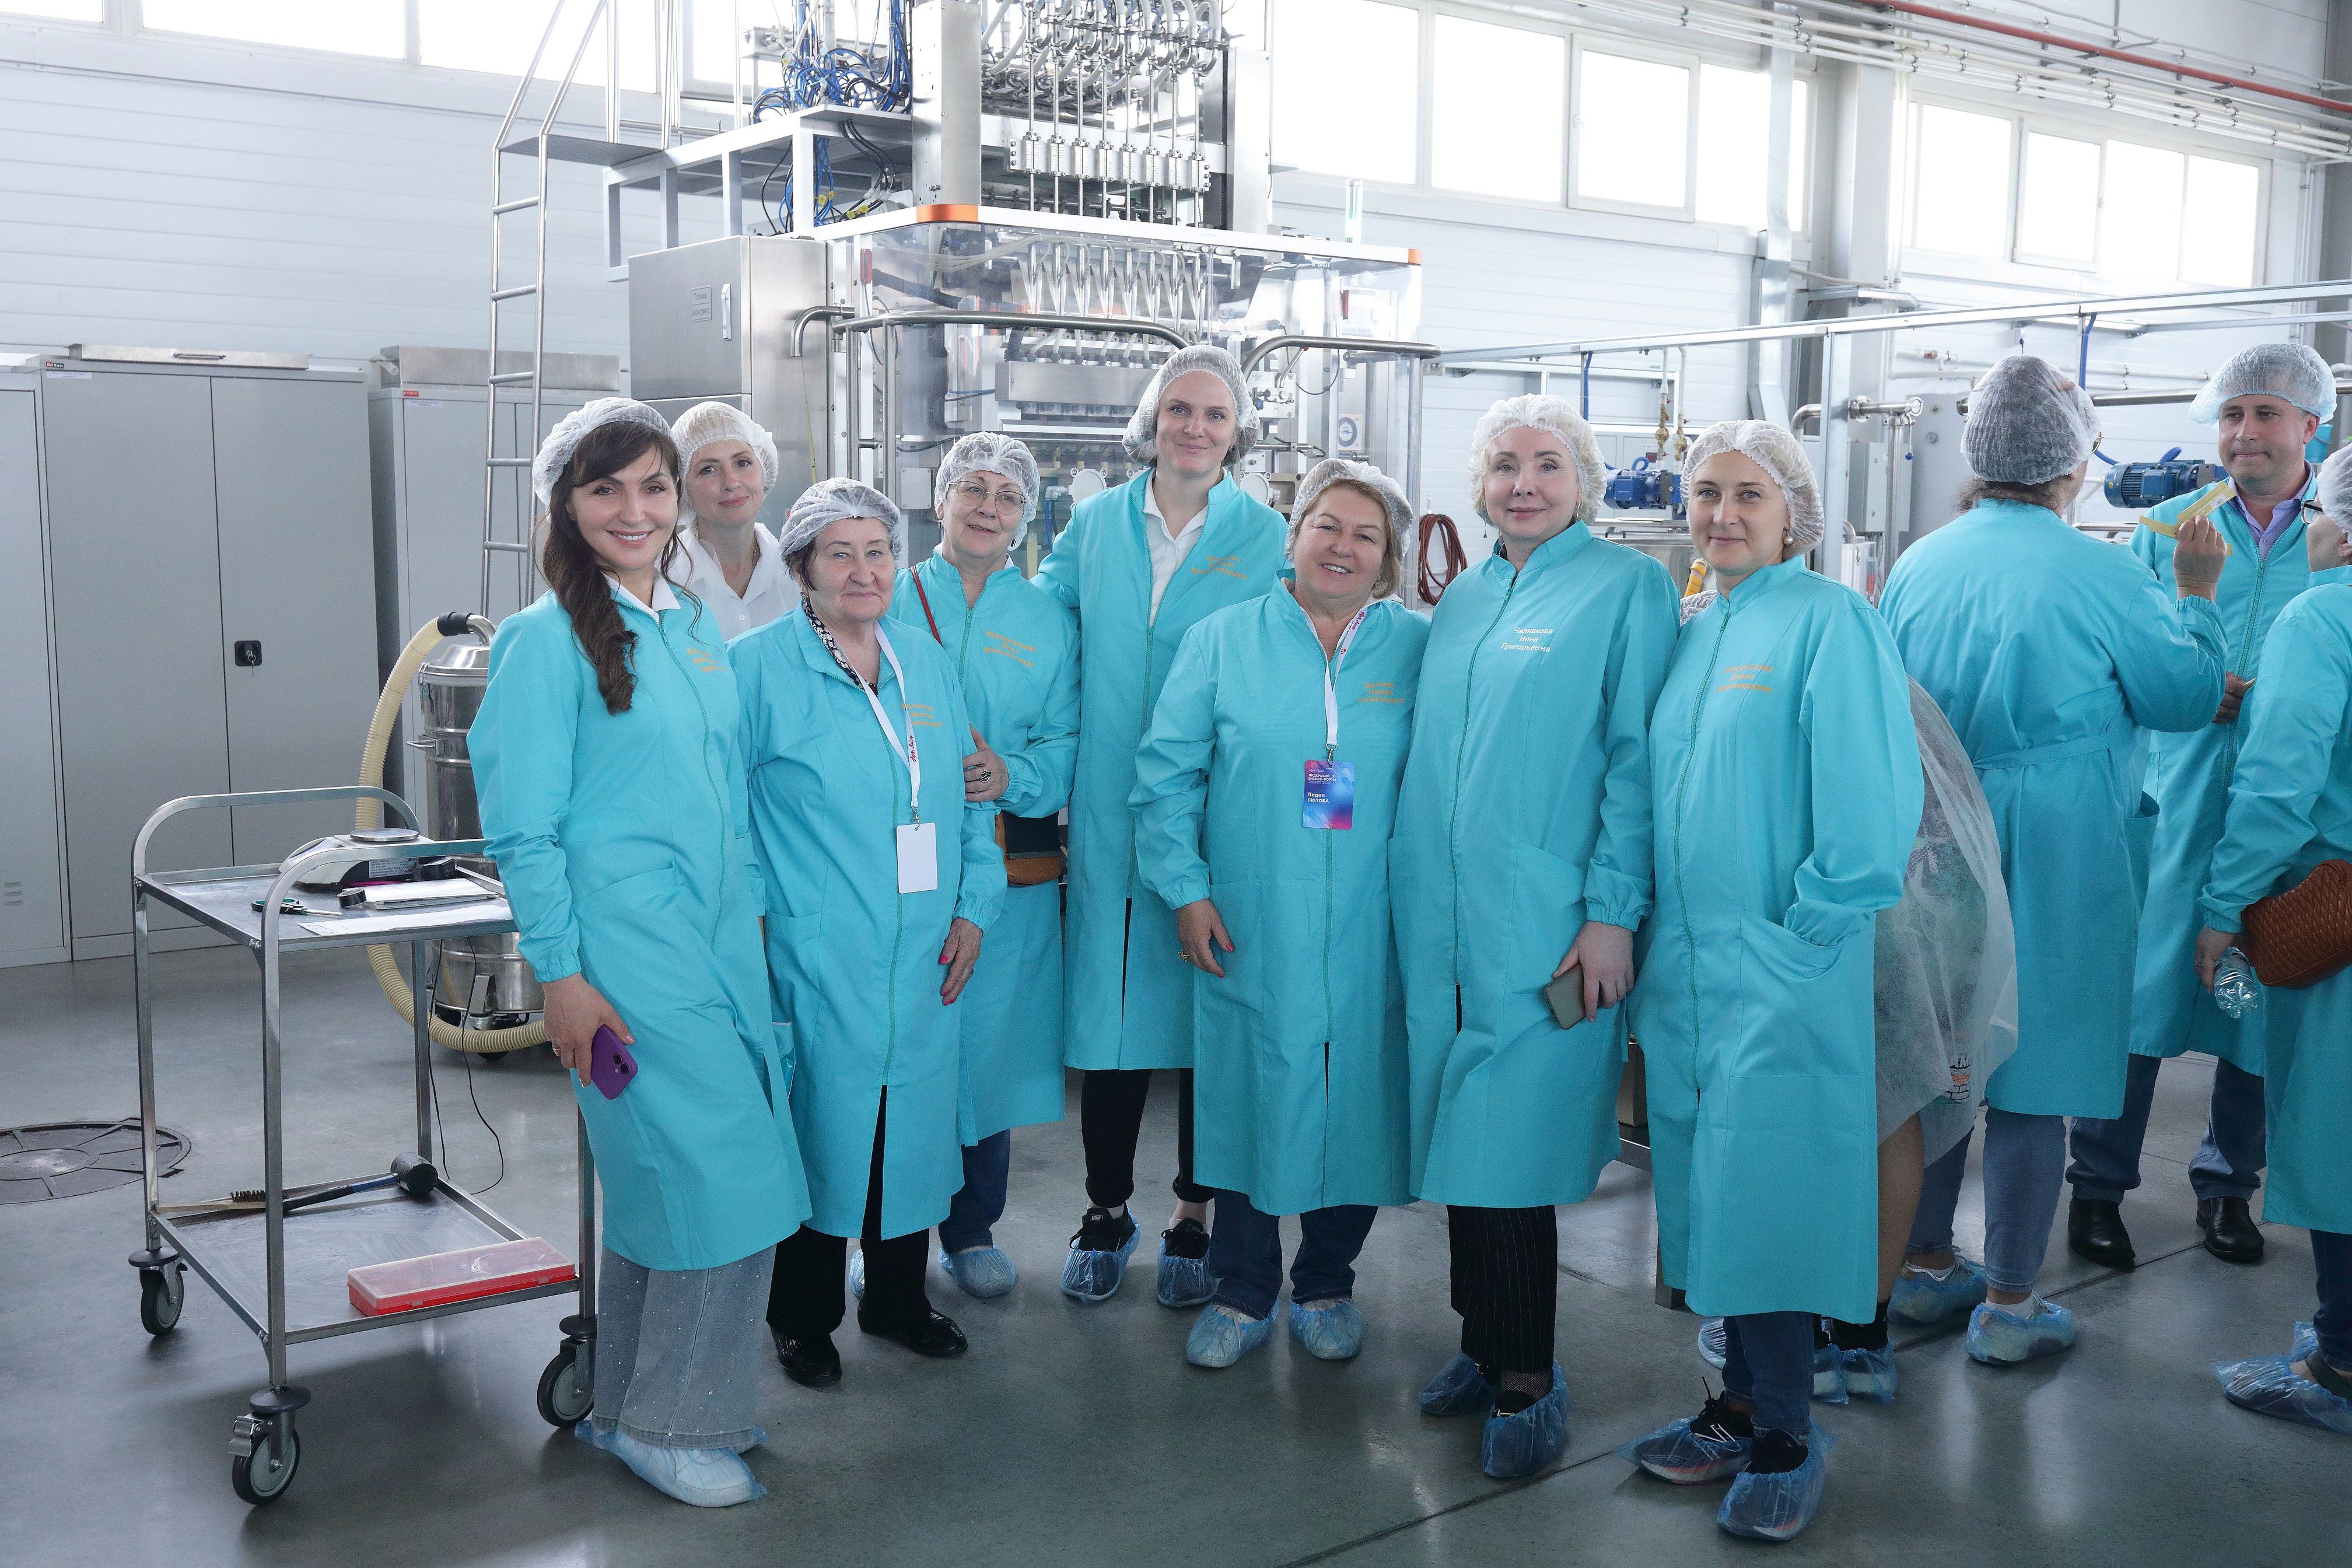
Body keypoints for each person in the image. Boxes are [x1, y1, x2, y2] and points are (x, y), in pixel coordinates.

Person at [473, 397, 807, 1508]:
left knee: (669, 1185)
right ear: (564, 505)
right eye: (605, 488)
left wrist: (750, 927)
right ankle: (674, 1422)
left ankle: (627, 1405)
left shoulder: (689, 625)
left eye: (653, 486)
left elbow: (723, 795)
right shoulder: (542, 642)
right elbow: (524, 831)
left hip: (716, 949)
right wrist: (561, 976)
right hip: (624, 957)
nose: (635, 508)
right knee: (724, 1180)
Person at [1879, 355, 2229, 1366]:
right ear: (2074, 464)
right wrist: (2197, 597)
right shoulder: (2105, 572)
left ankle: (1923, 1263)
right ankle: (2010, 1302)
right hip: (2060, 836)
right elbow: (2182, 698)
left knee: (1943, 1057)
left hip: (1936, 827)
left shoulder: (1919, 563)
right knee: (2038, 1066)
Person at [1621, 421, 1919, 1542]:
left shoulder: (1829, 619)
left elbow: (1868, 795)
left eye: (1748, 493)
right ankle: (1738, 1406)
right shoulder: (1695, 627)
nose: (1722, 513)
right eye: (1705, 492)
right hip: (1690, 967)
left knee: (1775, 1188)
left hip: (1783, 960)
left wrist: (1815, 925)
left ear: (1794, 512)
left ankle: (1788, 1432)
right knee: (1717, 1189)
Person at [1392, 394, 1676, 1479]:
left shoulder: (1626, 587)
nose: (1524, 483)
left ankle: (1527, 1375)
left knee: (1508, 1148)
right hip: (1443, 919)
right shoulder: (1464, 596)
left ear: (1585, 481)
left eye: (1548, 464)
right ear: (1478, 482)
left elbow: (1636, 763)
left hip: (1549, 922)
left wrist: (1611, 912)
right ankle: (1481, 1345)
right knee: (1465, 1140)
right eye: (1505, 463)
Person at [1130, 459, 1428, 1369]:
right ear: (1293, 537)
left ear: (1388, 560)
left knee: (1360, 1100)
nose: (1343, 547)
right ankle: (1244, 1288)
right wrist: (1186, 889)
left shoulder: (1417, 649)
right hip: (1253, 918)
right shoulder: (1223, 640)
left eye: (1366, 536)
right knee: (1251, 1095)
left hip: (1376, 922)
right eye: (1326, 526)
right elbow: (1165, 775)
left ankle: (1328, 1282)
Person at [2068, 342, 2340, 1272]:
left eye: (2265, 414)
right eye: (2231, 415)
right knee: (2137, 999)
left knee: (2259, 1001)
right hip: (2172, 798)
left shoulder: (2338, 535)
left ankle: (2228, 1186)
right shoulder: (2167, 529)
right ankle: (2097, 1184)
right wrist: (2187, 687)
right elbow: (2120, 661)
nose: (2243, 432)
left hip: (2289, 815)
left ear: (2312, 426)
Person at [733, 478, 1007, 1388]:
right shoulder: (757, 668)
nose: (864, 571)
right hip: (818, 947)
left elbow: (971, 795)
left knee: (912, 1128)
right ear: (802, 567)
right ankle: (801, 1316)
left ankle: (896, 1300)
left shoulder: (924, 660)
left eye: (879, 552)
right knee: (824, 1127)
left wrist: (974, 907)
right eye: (840, 553)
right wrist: (752, 924)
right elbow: (725, 816)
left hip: (926, 945)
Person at [1035, 345, 1287, 1306]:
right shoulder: (1097, 522)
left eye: (1215, 414)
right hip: (1106, 804)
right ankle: (1105, 1208)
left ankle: (1192, 1213)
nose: (1195, 427)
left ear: (1237, 433)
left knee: (1202, 1023)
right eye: (1179, 409)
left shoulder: (1264, 534)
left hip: (1217, 807)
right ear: (1150, 421)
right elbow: (1043, 626)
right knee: (1112, 1022)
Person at [873, 433, 1079, 1300]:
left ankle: (971, 1229)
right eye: (973, 489)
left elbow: (1069, 742)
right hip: (890, 858)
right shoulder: (888, 592)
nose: (988, 507)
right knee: (894, 1042)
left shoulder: (1046, 620)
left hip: (1003, 864)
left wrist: (1013, 775)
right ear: (942, 500)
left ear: (1025, 516)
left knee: (987, 1045)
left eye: (1007, 496)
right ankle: (887, 1231)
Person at [2199, 450, 2352, 1436]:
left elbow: (2278, 782)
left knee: (2339, 1138)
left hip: (2336, 909)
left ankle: (2340, 1360)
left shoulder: (2323, 618)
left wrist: (2223, 907)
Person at [670, 402, 793, 638]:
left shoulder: (798, 574)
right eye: (709, 469)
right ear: (682, 488)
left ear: (764, 469)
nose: (731, 482)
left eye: (742, 463)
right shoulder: (662, 578)